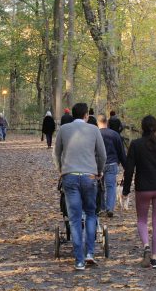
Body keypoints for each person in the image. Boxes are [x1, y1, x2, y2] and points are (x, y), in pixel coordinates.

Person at [53, 102, 107, 271]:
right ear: (86, 116)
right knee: (91, 214)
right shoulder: (94, 130)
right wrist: (98, 172)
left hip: (70, 176)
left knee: (75, 219)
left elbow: (56, 153)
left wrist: (61, 170)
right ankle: (90, 253)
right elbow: (102, 155)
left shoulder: (63, 130)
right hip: (89, 177)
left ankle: (79, 261)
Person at [122, 115, 156, 269]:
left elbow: (129, 169)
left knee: (142, 220)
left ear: (142, 128)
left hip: (143, 188)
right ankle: (154, 257)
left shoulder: (136, 144)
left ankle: (146, 245)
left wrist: (126, 190)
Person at [97, 114, 126, 217]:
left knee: (99, 186)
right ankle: (110, 208)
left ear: (98, 122)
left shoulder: (95, 134)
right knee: (111, 187)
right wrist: (126, 166)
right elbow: (121, 152)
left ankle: (101, 207)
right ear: (107, 123)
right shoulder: (115, 135)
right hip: (112, 163)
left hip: (98, 164)